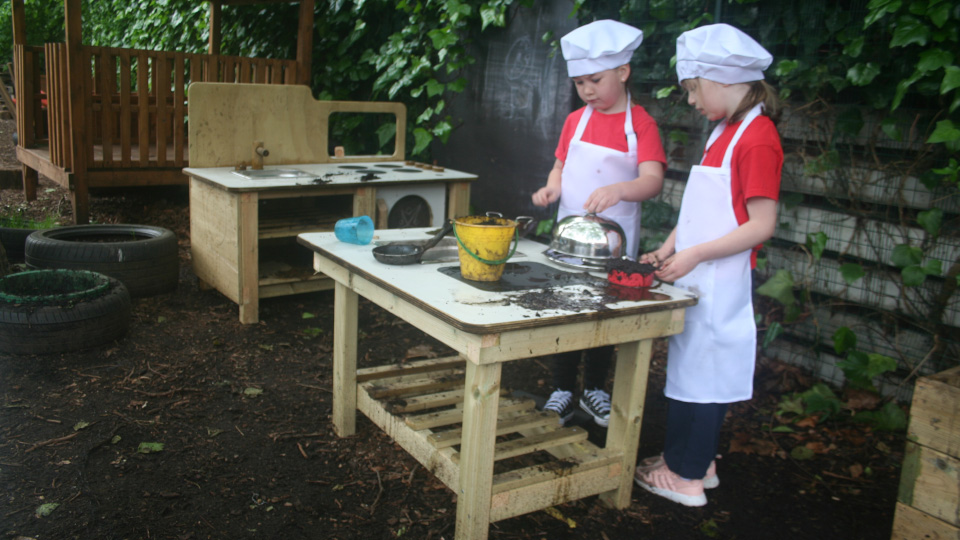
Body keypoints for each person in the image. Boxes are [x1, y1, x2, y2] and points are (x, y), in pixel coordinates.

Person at [632, 23, 782, 507]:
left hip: (719, 281)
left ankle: (687, 477)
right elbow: (699, 211)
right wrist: (670, 247)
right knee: (691, 374)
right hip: (699, 274)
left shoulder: (757, 138)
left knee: (704, 379)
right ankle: (693, 461)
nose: (691, 101)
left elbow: (760, 225)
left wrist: (693, 254)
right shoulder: (726, 131)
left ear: (723, 79)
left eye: (694, 88)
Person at [531, 19, 666, 427]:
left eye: (595, 80)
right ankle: (561, 386)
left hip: (614, 241)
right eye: (579, 84)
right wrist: (551, 187)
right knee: (566, 304)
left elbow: (653, 180)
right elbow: (560, 165)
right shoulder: (577, 119)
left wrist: (621, 190)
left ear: (623, 73)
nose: (587, 91)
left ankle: (594, 388)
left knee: (604, 309)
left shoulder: (640, 123)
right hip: (570, 236)